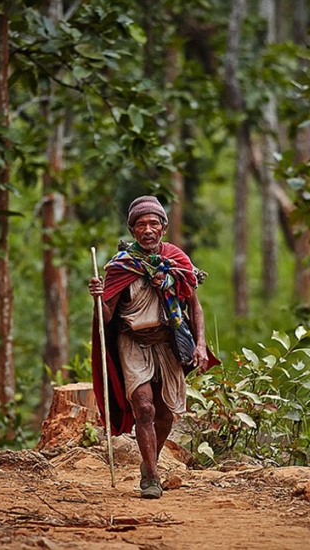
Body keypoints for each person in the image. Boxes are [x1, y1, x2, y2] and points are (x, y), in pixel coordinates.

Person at [89, 195, 219, 499]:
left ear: (163, 227)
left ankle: (149, 465)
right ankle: (152, 479)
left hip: (168, 342)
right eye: (140, 224)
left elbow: (194, 307)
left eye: (153, 223)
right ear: (133, 231)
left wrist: (200, 344)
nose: (147, 229)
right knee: (144, 408)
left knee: (164, 415)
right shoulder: (120, 267)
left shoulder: (177, 262)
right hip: (132, 342)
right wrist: (97, 296)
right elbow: (107, 315)